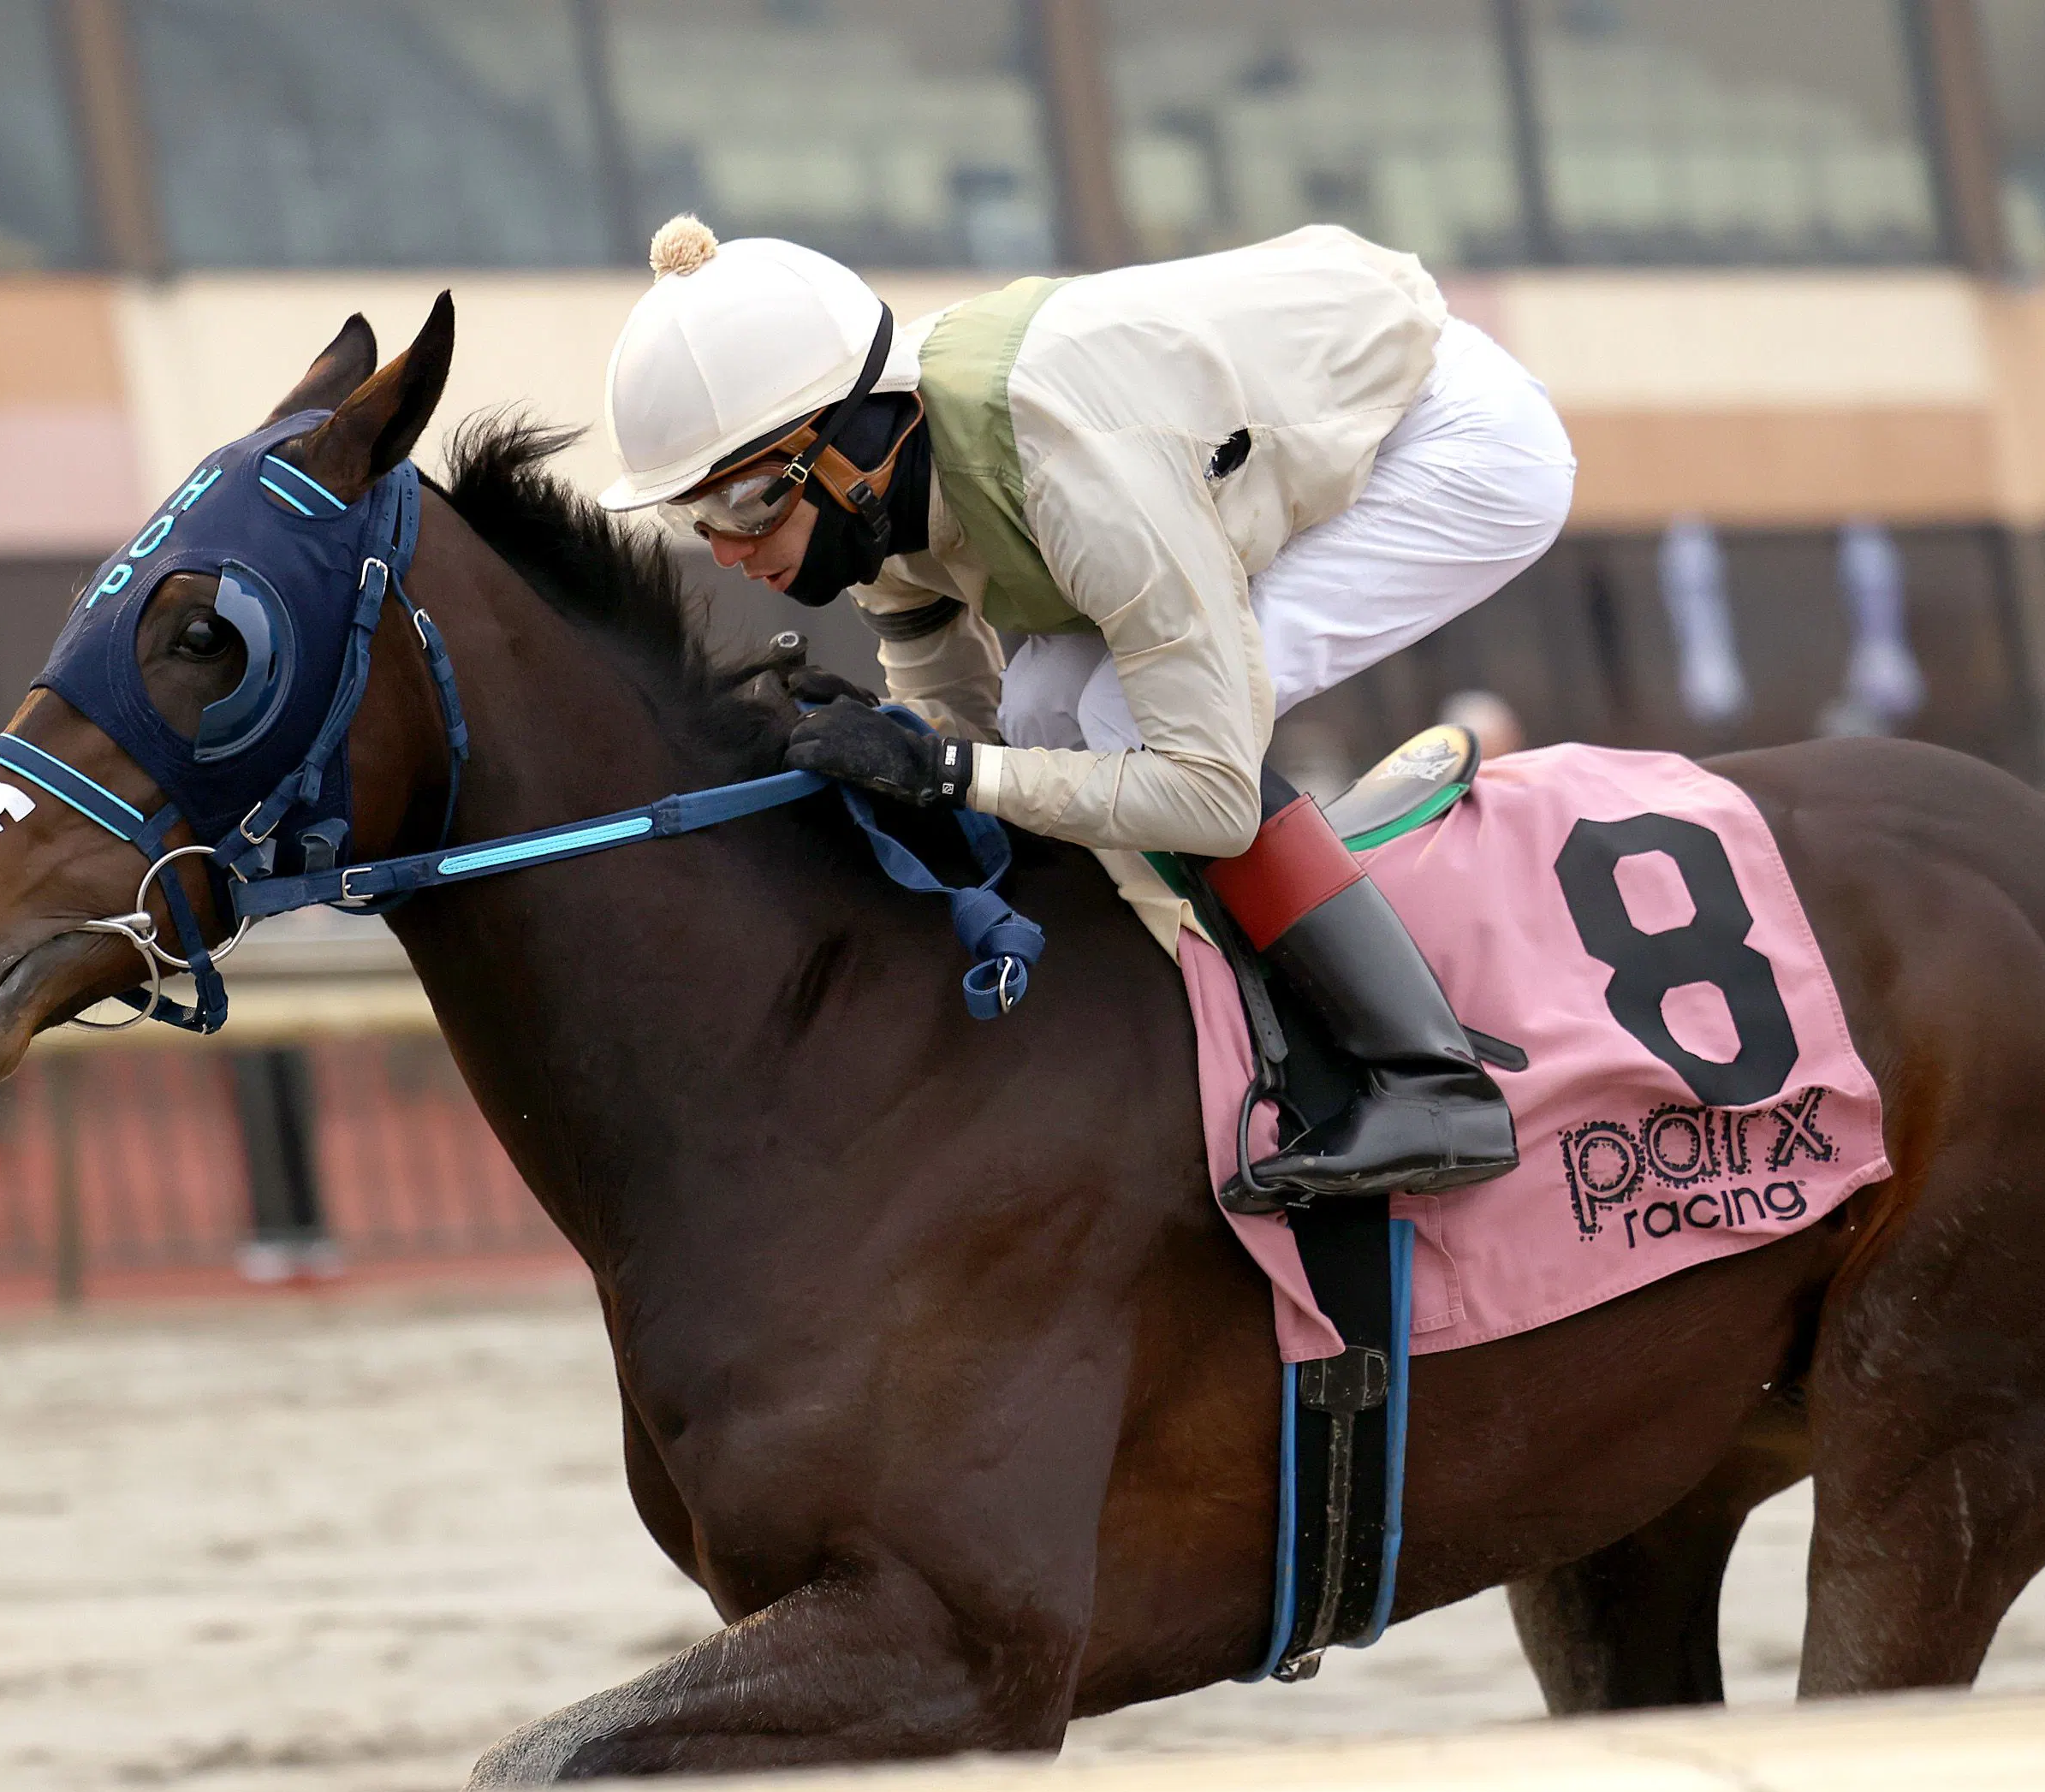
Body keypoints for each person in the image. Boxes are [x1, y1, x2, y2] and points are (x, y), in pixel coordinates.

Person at [597, 216, 1575, 1198]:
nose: (726, 548)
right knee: (1041, 713)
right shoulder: (886, 497)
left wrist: (940, 771)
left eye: (748, 503)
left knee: (1121, 720)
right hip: (1243, 419)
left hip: (1453, 439)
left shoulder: (1073, 465)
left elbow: (1210, 794)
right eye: (698, 514)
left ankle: (1431, 1079)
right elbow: (980, 742)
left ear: (851, 450)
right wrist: (906, 754)